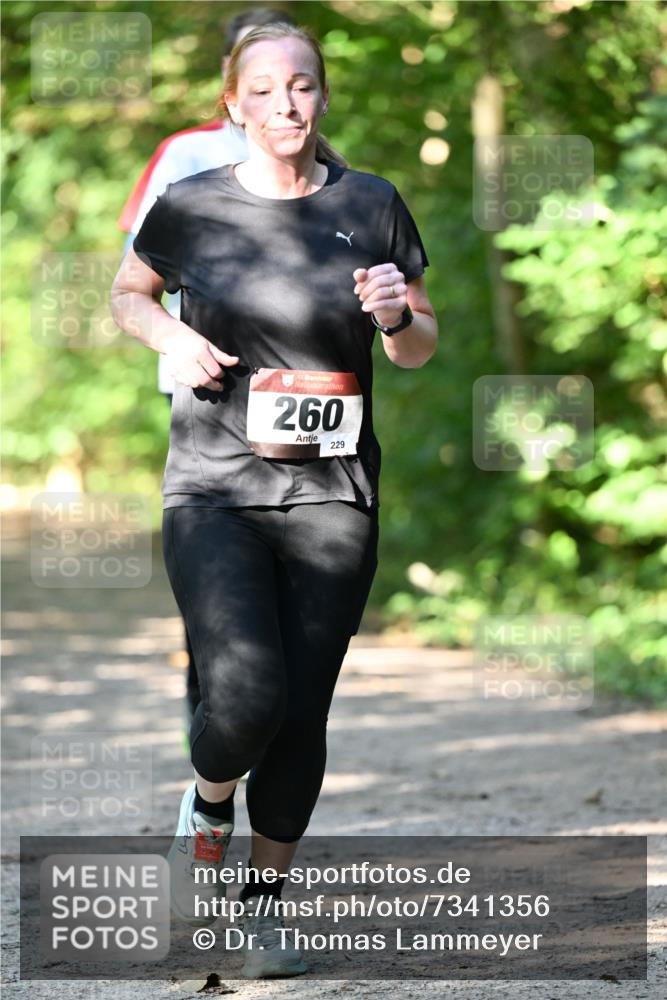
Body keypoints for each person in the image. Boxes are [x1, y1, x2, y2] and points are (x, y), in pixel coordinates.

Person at [110, 21, 437, 979]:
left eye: (300, 87)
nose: (284, 104)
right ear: (234, 105)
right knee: (245, 694)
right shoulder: (191, 203)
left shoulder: (371, 203)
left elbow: (418, 344)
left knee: (303, 712)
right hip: (214, 486)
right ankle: (207, 803)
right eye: (263, 89)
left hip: (334, 495)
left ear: (320, 100)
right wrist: (169, 339)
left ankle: (257, 912)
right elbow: (130, 294)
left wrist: (391, 315)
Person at [118, 7, 295, 734]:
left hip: (299, 388)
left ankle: (271, 709)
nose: (281, 97)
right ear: (229, 80)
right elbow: (135, 274)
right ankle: (215, 711)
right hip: (209, 386)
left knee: (290, 552)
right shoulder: (185, 154)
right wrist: (174, 341)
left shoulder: (316, 151)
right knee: (220, 555)